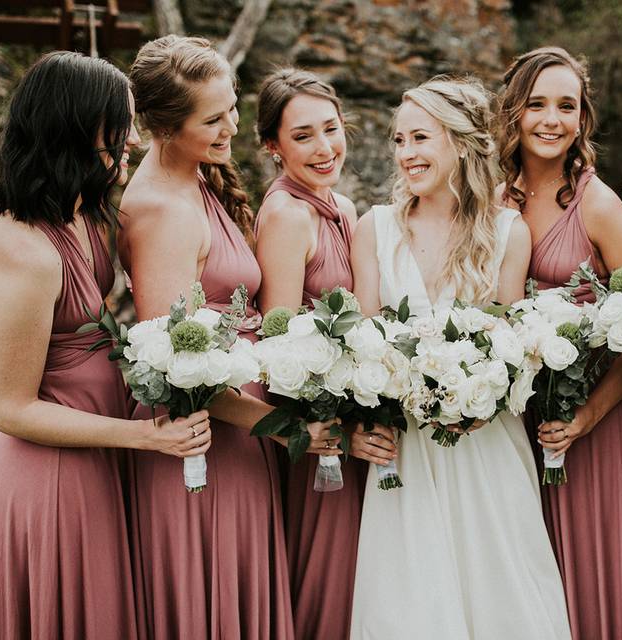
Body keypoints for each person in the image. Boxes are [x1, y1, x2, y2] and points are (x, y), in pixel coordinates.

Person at [0, 51, 210, 638]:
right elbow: (10, 406)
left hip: (96, 453)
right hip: (50, 477)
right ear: (76, 129)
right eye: (119, 126)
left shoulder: (83, 212)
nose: (131, 138)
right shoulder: (25, 249)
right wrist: (144, 436)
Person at [348, 77, 570, 639]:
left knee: (501, 594)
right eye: (399, 141)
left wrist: (484, 391)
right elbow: (363, 341)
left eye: (420, 138)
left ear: (461, 143)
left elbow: (512, 344)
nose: (405, 154)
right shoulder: (373, 229)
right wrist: (368, 415)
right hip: (404, 450)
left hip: (484, 440)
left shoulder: (506, 231)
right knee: (409, 602)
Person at [121, 35, 292, 638]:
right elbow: (181, 374)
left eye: (234, 105)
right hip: (205, 443)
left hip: (239, 431)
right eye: (213, 119)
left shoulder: (195, 175)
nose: (234, 126)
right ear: (166, 127)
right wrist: (290, 428)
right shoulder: (161, 213)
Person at [495, 46, 622, 639]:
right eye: (537, 104)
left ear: (582, 118)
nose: (551, 120)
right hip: (519, 422)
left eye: (566, 106)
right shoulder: (493, 197)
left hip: (598, 424)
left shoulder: (599, 206)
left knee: (594, 578)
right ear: (513, 112)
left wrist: (588, 416)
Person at [254, 67, 364, 640]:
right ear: (272, 146)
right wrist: (334, 425)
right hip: (320, 430)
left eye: (331, 128)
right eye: (303, 136)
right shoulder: (286, 216)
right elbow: (281, 345)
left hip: (355, 418)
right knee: (325, 576)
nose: (325, 149)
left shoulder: (341, 206)